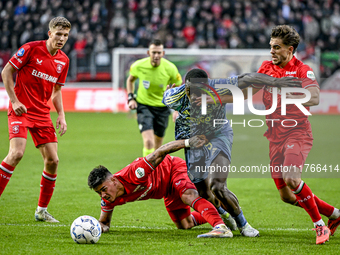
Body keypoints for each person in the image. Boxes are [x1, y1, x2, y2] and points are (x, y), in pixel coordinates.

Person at [163, 68, 301, 237]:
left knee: (217, 186)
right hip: (194, 140)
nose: (199, 96)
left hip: (218, 135)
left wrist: (276, 82)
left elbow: (246, 77)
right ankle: (225, 214)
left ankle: (244, 225)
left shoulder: (218, 87)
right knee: (204, 192)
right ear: (186, 88)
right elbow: (167, 97)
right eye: (194, 92)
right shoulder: (174, 97)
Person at [251, 25, 340, 245]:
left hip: (297, 133)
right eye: (271, 46)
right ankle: (336, 215)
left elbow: (315, 97)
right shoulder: (266, 67)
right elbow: (249, 90)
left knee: (292, 178)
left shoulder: (302, 69)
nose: (272, 51)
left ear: (290, 50)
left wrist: (287, 91)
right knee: (287, 196)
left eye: (277, 47)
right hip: (274, 137)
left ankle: (319, 226)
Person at [88, 135, 234, 238]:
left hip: (173, 169)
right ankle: (222, 209)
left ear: (113, 180)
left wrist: (189, 142)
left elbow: (161, 151)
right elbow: (104, 223)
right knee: (185, 224)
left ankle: (220, 227)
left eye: (103, 189)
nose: (103, 195)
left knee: (188, 196)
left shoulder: (135, 173)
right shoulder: (108, 199)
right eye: (99, 193)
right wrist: (97, 228)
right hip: (165, 190)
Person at [0, 17, 71, 223]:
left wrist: (61, 115)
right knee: (16, 153)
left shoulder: (63, 60)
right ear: (50, 33)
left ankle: (41, 211)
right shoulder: (31, 49)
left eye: (65, 35)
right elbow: (7, 71)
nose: (61, 38)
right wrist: (13, 101)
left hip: (42, 114)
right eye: (58, 34)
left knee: (53, 160)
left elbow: (57, 90)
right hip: (21, 110)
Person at [126, 39, 182, 157]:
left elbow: (178, 86)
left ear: (163, 53)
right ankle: (147, 173)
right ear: (148, 53)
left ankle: (155, 173)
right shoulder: (139, 66)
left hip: (162, 108)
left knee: (157, 147)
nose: (156, 55)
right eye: (153, 52)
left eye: (159, 52)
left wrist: (177, 108)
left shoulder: (170, 68)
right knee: (148, 142)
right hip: (144, 106)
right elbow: (130, 80)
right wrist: (131, 97)